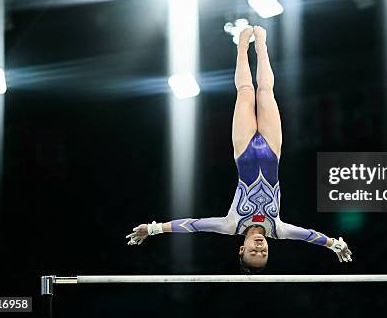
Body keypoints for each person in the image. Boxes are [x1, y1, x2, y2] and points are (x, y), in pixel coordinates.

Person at [126, 26, 352, 272]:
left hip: (244, 149)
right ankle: (261, 47)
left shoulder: (230, 225)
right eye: (263, 253)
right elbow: (309, 235)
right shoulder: (279, 229)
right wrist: (333, 245)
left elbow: (193, 225)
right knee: (266, 92)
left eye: (254, 252)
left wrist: (153, 229)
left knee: (245, 92)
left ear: (241, 249)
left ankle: (242, 47)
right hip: (272, 150)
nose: (260, 247)